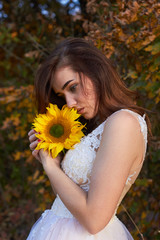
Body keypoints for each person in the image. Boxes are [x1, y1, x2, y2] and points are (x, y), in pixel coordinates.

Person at [27, 37, 151, 240]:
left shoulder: (124, 122)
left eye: (73, 87)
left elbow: (94, 220)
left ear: (96, 71)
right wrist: (49, 156)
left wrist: (50, 166)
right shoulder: (95, 127)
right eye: (62, 94)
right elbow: (67, 198)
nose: (69, 103)